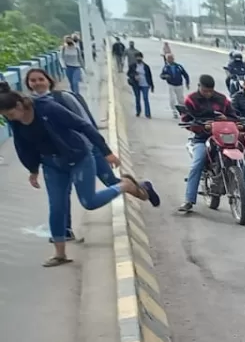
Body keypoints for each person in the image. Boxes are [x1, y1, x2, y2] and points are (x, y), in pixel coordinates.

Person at [1, 90, 158, 267]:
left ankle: (125, 185)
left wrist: (106, 152)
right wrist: (32, 169)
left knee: (89, 202)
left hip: (78, 157)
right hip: (51, 164)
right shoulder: (14, 121)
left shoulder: (48, 108)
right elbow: (22, 144)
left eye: (11, 114)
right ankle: (60, 254)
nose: (11, 118)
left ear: (20, 105)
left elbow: (83, 126)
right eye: (7, 116)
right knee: (57, 206)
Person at [177, 74, 245, 217]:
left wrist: (230, 119)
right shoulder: (191, 100)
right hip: (202, 138)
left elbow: (234, 116)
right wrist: (202, 127)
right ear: (199, 87)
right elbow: (186, 120)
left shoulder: (222, 99)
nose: (208, 93)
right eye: (205, 91)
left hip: (224, 138)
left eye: (210, 91)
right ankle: (189, 200)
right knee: (197, 163)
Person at [23, 68, 117, 195]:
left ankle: (142, 188)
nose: (37, 83)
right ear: (28, 83)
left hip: (87, 148)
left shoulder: (63, 97)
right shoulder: (29, 105)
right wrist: (33, 168)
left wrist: (104, 150)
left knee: (111, 182)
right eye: (33, 80)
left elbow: (85, 122)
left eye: (41, 79)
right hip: (59, 156)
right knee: (61, 200)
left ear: (49, 81)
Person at [126, 52, 154, 118]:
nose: (138, 58)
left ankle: (148, 113)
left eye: (140, 57)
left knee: (145, 98)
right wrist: (134, 75)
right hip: (136, 84)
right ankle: (138, 111)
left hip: (145, 84)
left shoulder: (146, 66)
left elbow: (150, 76)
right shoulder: (132, 66)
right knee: (137, 98)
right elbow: (128, 74)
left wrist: (152, 85)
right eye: (137, 57)